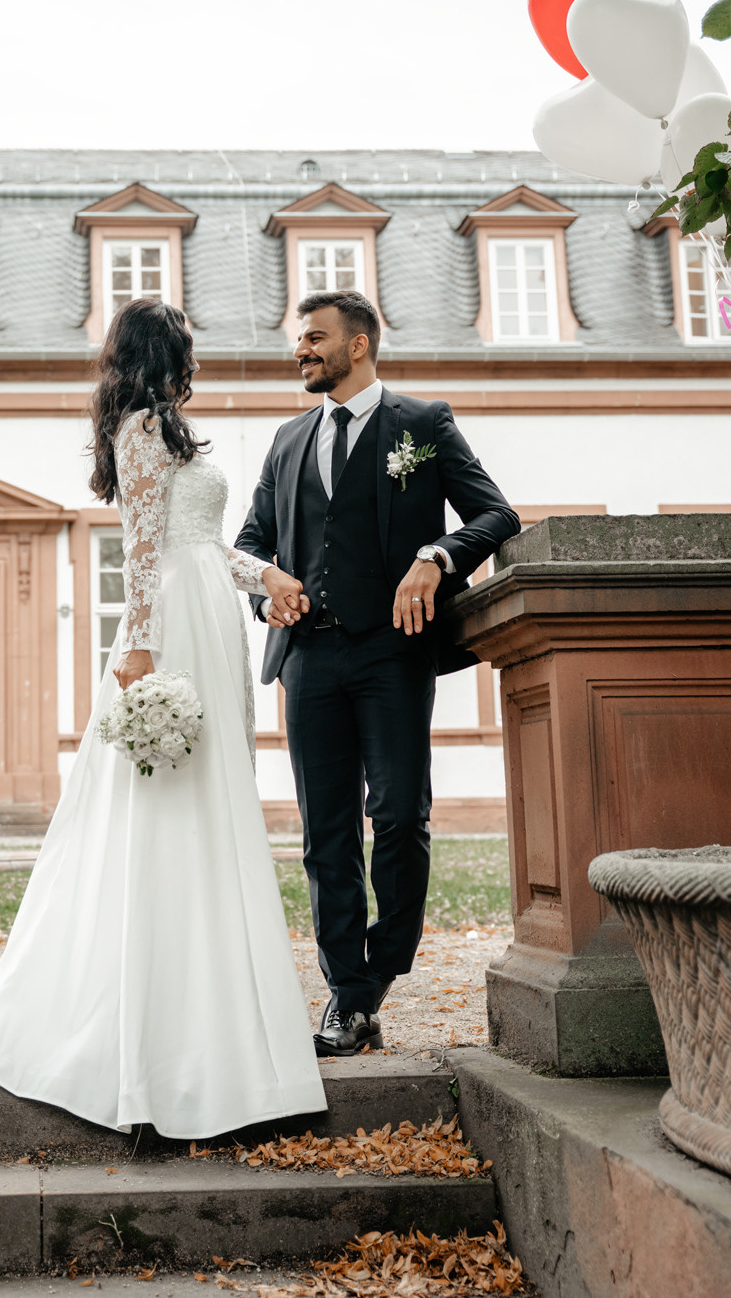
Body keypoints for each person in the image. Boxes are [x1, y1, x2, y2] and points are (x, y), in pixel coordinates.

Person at [0, 298, 326, 1138]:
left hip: (208, 614)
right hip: (170, 627)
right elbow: (141, 550)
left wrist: (263, 576)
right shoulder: (141, 429)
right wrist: (141, 651)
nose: (194, 349)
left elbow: (198, 543)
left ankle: (217, 1005)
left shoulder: (168, 426)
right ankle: (157, 1032)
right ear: (163, 350)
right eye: (185, 340)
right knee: (165, 806)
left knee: (212, 801)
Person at [235, 290, 518, 1058]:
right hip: (309, 658)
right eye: (299, 339)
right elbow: (249, 540)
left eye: (314, 338)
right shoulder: (288, 439)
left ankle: (376, 970)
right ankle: (347, 993)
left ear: (357, 345)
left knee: (397, 817)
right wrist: (268, 580)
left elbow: (495, 514)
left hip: (392, 652)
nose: (301, 351)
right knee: (325, 834)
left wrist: (434, 557)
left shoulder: (421, 424)